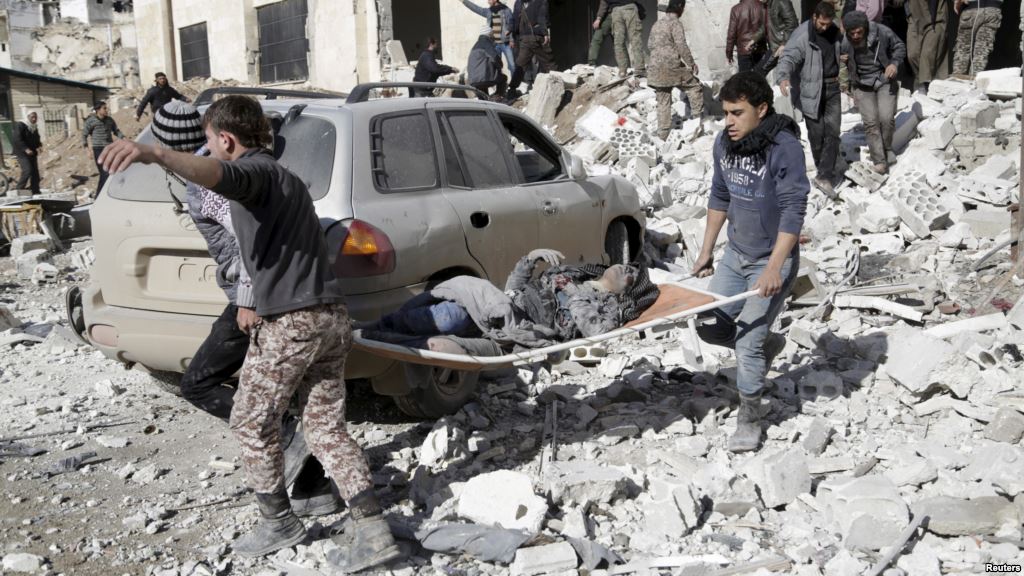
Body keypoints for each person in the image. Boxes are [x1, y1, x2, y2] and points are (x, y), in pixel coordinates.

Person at [98, 96, 401, 570]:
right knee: (323, 427)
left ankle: (278, 521)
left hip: (290, 321)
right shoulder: (289, 177)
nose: (207, 149)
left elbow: (223, 177)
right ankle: (371, 527)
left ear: (226, 139)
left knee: (250, 420)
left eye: (210, 140)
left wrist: (155, 153)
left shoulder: (255, 175)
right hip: (329, 316)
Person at [149, 100, 335, 517]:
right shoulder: (209, 172)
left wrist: (247, 298)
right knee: (281, 393)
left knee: (199, 382)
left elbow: (248, 234)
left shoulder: (209, 181)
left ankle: (290, 445)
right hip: (275, 293)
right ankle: (314, 490)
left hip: (257, 296)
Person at [691, 71, 809, 453]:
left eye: (737, 113)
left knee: (746, 343)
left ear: (762, 109)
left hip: (769, 260)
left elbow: (794, 210)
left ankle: (750, 417)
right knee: (708, 325)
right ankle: (765, 345)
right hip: (735, 255)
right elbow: (719, 195)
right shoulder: (724, 144)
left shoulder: (784, 147)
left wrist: (775, 267)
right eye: (725, 113)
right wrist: (707, 250)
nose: (729, 121)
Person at [777, 1, 843, 197]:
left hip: (832, 87)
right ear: (814, 17)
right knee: (817, 133)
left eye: (827, 24)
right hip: (810, 90)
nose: (824, 27)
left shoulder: (836, 31)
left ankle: (824, 176)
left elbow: (846, 48)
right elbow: (789, 57)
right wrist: (783, 76)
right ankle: (823, 167)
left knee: (833, 131)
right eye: (821, 23)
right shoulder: (803, 35)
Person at [840, 10, 906, 174]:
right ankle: (879, 161)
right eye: (852, 33)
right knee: (870, 123)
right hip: (861, 84)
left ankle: (887, 148)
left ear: (865, 28)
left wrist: (894, 64)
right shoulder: (844, 42)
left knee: (886, 118)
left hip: (884, 79)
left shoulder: (882, 32)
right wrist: (842, 66)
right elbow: (836, 63)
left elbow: (900, 47)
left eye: (859, 32)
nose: (855, 36)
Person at [647, 0, 704, 140]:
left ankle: (663, 134)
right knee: (694, 86)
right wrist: (691, 64)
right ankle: (698, 123)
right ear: (680, 8)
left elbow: (649, 45)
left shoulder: (657, 24)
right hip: (672, 67)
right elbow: (681, 45)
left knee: (663, 100)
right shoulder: (675, 23)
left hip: (655, 69)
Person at [508, 0, 556, 98]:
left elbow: (514, 20)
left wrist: (512, 31)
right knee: (548, 61)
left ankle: (511, 90)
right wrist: (545, 33)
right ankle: (559, 85)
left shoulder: (519, 2)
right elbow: (542, 18)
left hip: (524, 38)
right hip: (536, 36)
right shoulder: (542, 1)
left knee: (521, 65)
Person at [459, 0, 516, 76]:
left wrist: (511, 40)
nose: (488, 2)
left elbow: (511, 24)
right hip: (494, 44)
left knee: (511, 65)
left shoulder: (506, 10)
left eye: (489, 0)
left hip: (505, 43)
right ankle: (499, 85)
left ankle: (514, 85)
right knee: (496, 66)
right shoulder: (489, 11)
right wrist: (465, 2)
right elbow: (476, 8)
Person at [907, 0, 953, 92]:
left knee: (928, 56)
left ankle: (924, 89)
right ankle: (921, 82)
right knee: (912, 55)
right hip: (915, 21)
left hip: (935, 20)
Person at [951, 0, 1002, 78]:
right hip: (992, 9)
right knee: (981, 50)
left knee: (963, 49)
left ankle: (956, 80)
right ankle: (975, 80)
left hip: (971, 8)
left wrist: (957, 2)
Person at [83, 101, 123, 198]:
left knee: (111, 172)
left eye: (106, 108)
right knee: (104, 172)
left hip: (110, 148)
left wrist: (124, 139)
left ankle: (107, 195)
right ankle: (99, 196)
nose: (106, 110)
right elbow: (84, 135)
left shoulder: (110, 120)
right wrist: (87, 150)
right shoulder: (91, 121)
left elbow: (116, 131)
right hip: (98, 149)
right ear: (98, 110)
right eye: (104, 108)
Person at [597, 0, 647, 77]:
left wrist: (599, 18)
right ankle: (640, 69)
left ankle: (622, 70)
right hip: (629, 8)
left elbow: (604, 2)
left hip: (616, 10)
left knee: (618, 41)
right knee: (635, 39)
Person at [757, 0, 798, 75]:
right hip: (773, 45)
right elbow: (765, 27)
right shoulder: (765, 5)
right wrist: (753, 39)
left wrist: (784, 44)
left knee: (760, 71)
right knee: (761, 71)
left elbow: (792, 24)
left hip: (780, 45)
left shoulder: (781, 2)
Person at [726, 0, 769, 72]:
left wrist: (729, 54)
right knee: (759, 79)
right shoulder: (762, 6)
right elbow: (768, 28)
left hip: (743, 50)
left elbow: (731, 34)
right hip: (760, 48)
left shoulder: (736, 9)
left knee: (745, 79)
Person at [467, 26, 508, 99]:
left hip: (473, 81)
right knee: (503, 78)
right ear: (489, 33)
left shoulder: (476, 45)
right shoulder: (486, 43)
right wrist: (500, 66)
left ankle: (487, 102)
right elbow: (495, 57)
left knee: (484, 100)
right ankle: (497, 97)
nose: (493, 35)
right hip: (484, 79)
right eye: (492, 33)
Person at [12, 112, 43, 195]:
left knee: (35, 173)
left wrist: (39, 145)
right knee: (27, 170)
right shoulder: (21, 125)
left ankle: (35, 190)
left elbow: (36, 138)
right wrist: (25, 149)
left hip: (32, 152)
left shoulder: (34, 126)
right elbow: (17, 139)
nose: (34, 119)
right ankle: (19, 189)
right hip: (21, 153)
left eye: (35, 117)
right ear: (28, 117)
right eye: (32, 117)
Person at [588, 0, 614, 66]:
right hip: (620, 14)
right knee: (619, 42)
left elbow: (604, 4)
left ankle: (591, 62)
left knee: (596, 40)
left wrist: (598, 18)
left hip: (609, 16)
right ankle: (625, 66)